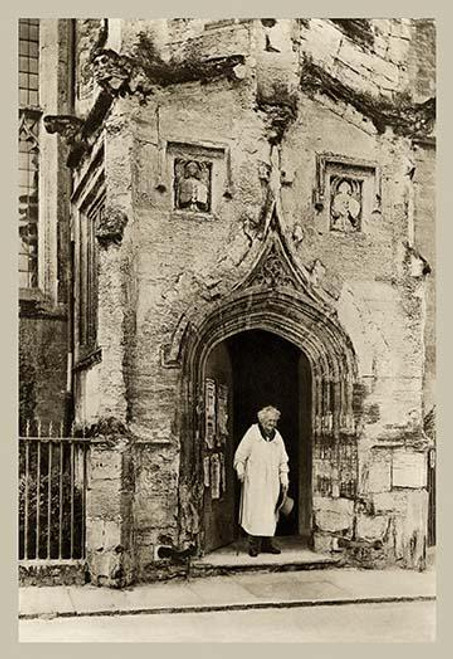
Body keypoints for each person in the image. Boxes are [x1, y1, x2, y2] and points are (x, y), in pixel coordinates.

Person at [233, 406, 289, 557]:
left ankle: (267, 544)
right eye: (269, 420)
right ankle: (253, 545)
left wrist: (284, 477)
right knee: (255, 512)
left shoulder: (277, 437)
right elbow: (240, 455)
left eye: (274, 421)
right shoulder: (253, 433)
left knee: (269, 513)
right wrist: (240, 470)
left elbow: (283, 460)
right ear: (262, 420)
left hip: (271, 482)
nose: (272, 424)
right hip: (255, 481)